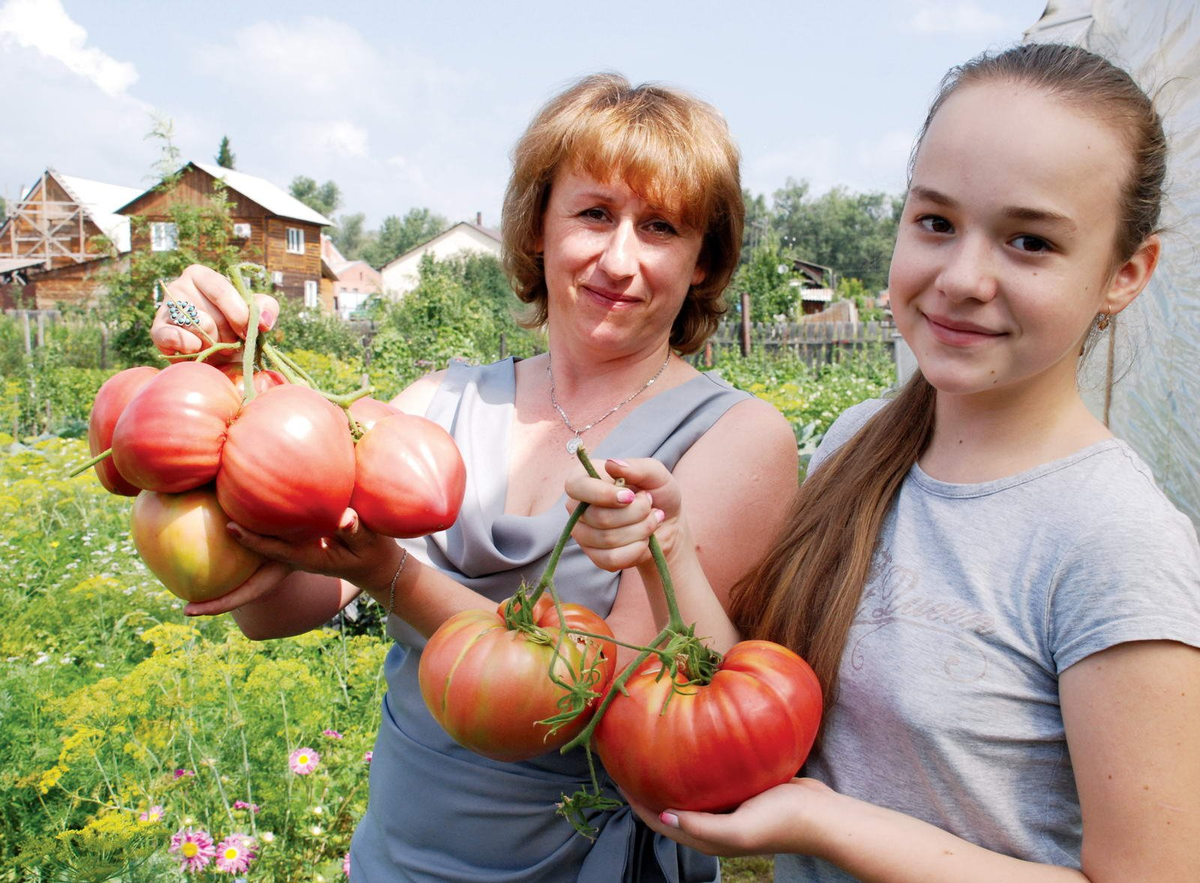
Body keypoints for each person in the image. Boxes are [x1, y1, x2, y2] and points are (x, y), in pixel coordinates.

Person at [566, 43, 1200, 882]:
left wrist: (830, 824)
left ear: (1126, 273)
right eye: (936, 221)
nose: (963, 278)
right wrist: (668, 546)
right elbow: (760, 700)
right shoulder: (861, 441)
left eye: (1030, 241)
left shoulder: (1115, 542)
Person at [150, 73, 798, 882]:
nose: (619, 257)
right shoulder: (438, 402)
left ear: (704, 261)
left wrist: (394, 577)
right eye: (594, 213)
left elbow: (614, 706)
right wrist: (219, 384)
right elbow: (279, 607)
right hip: (394, 861)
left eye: (661, 226)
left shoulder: (738, 437)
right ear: (536, 228)